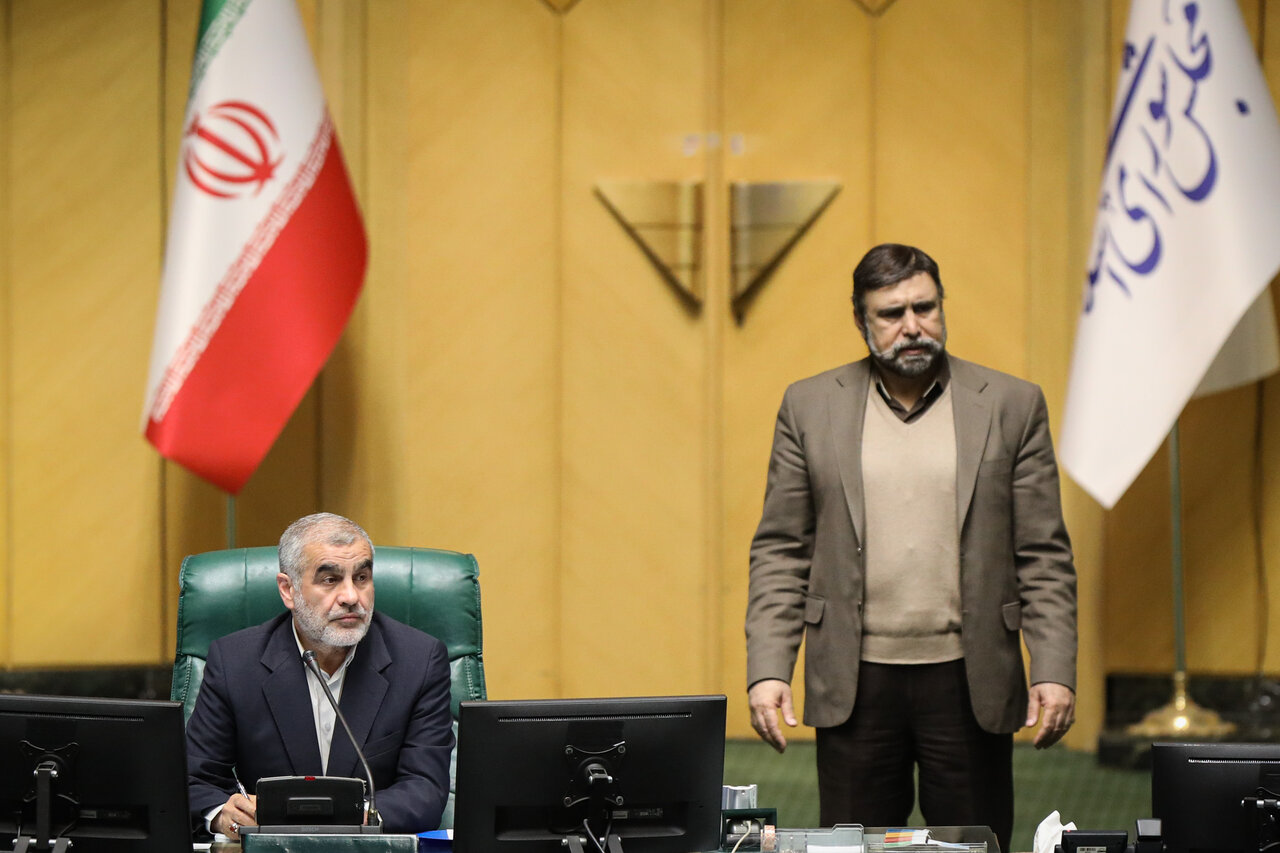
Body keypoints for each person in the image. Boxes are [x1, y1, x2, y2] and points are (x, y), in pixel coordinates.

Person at [745, 243, 1077, 853]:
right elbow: (781, 551)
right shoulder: (810, 405)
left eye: (925, 308)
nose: (912, 326)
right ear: (861, 320)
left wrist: (1053, 669)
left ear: (942, 306)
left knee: (974, 845)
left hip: (970, 677)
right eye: (891, 313)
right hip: (854, 681)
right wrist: (769, 668)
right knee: (854, 848)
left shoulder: (1011, 404)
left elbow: (1044, 555)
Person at [186, 512, 455, 837]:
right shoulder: (235, 663)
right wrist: (222, 815)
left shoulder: (419, 661)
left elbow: (424, 792)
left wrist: (335, 819)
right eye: (330, 580)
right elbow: (194, 780)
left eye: (361, 577)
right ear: (288, 590)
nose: (351, 597)